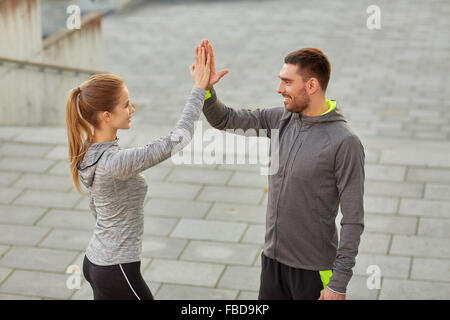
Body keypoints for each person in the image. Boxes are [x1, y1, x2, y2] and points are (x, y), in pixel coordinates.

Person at [199, 39, 365, 300]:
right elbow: (224, 119)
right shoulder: (279, 119)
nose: (279, 89)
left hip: (313, 271)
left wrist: (338, 283)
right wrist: (206, 89)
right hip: (272, 263)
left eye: (287, 82)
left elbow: (353, 218)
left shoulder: (345, 142)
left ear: (311, 85)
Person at [65, 46, 211, 300]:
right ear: (107, 115)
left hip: (97, 261)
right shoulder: (115, 162)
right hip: (116, 268)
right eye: (126, 105)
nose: (132, 109)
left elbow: (97, 206)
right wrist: (200, 89)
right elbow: (177, 140)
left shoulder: (88, 153)